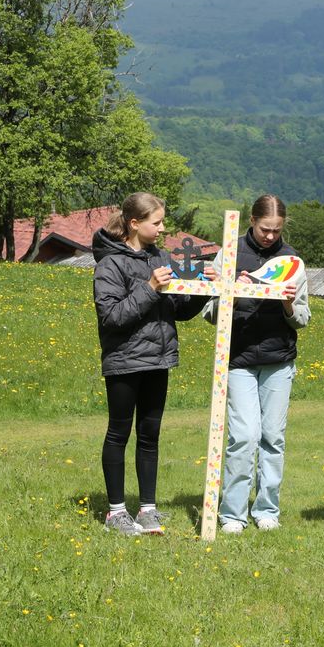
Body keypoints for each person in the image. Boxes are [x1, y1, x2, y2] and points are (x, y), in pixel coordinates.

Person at [92, 192, 209, 536]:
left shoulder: (159, 257)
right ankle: (115, 513)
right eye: (156, 222)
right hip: (125, 361)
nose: (162, 228)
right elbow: (111, 317)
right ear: (134, 223)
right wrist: (149, 287)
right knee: (119, 432)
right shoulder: (109, 264)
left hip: (158, 359)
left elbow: (180, 309)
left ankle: (148, 509)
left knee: (150, 434)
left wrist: (206, 288)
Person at [206, 195, 311, 534]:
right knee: (243, 436)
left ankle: (267, 509)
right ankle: (232, 514)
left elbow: (303, 318)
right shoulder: (230, 253)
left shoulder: (292, 260)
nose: (269, 236)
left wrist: (287, 306)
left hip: (279, 360)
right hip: (238, 359)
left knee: (272, 437)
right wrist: (231, 290)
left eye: (276, 231)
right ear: (251, 221)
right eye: (265, 229)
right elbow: (211, 313)